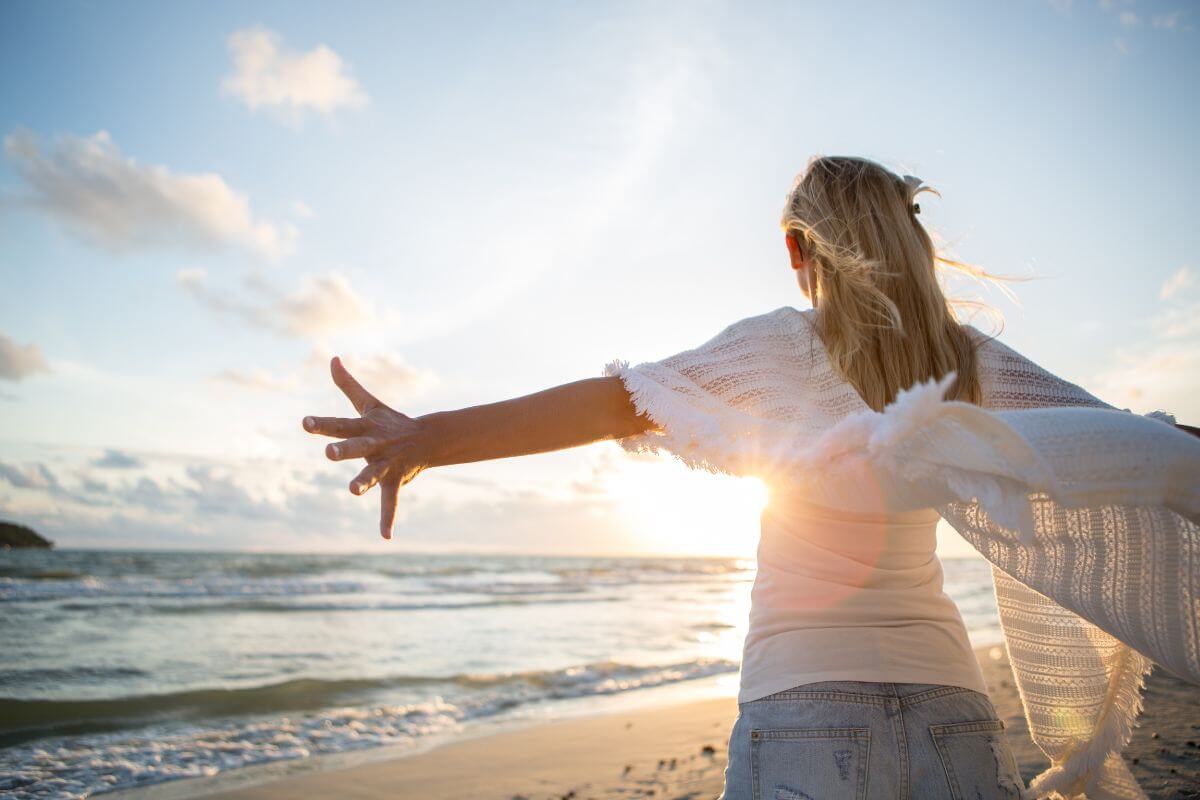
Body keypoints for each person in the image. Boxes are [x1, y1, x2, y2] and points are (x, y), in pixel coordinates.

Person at [302, 156, 1199, 800]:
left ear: (798, 251)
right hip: (953, 716)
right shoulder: (967, 362)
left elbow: (613, 404)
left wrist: (426, 437)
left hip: (801, 712)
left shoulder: (776, 348)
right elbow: (1123, 445)